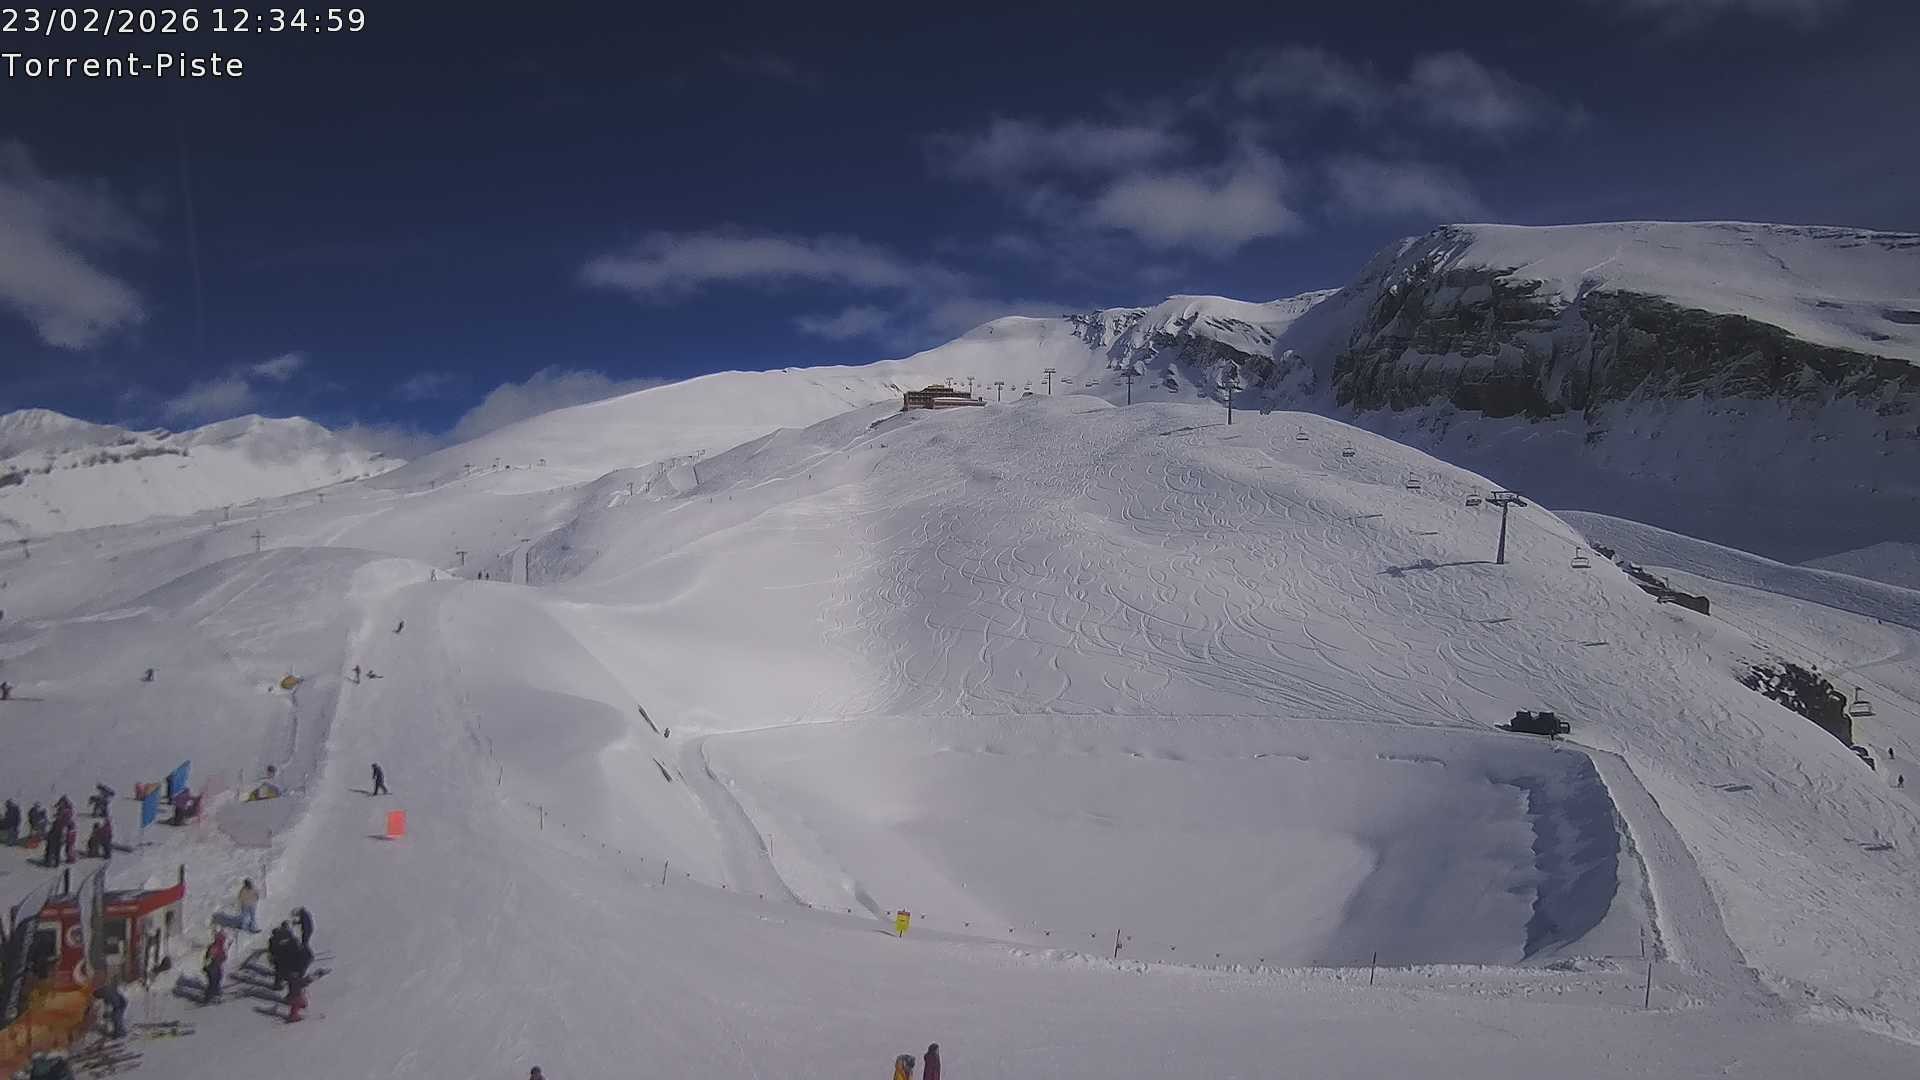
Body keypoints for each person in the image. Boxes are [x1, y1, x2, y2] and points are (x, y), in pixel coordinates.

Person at [203, 929, 228, 1003]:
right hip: (212, 967)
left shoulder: (220, 946)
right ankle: (208, 997)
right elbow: (210, 957)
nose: (224, 940)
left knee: (219, 978)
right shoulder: (215, 946)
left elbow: (223, 957)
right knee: (213, 982)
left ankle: (215, 993)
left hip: (216, 966)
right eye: (223, 939)